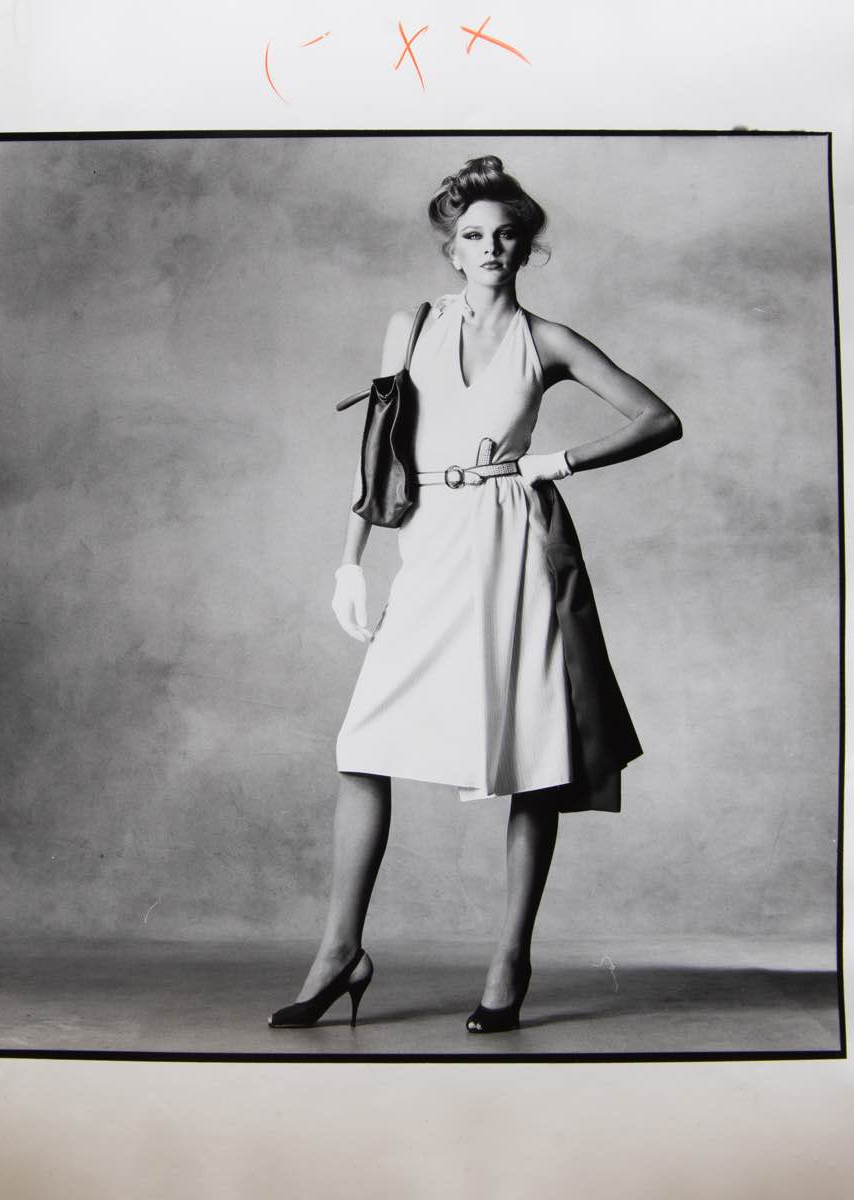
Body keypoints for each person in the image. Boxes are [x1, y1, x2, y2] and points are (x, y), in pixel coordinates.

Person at [269, 155, 682, 1034]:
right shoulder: (411, 326)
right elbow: (378, 452)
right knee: (362, 745)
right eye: (473, 235)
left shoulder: (550, 340)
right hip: (431, 542)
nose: (490, 247)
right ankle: (339, 952)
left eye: (505, 235)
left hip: (517, 544)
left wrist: (555, 461)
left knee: (532, 754)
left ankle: (509, 960)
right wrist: (351, 563)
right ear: (451, 249)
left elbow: (659, 418)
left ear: (525, 247)